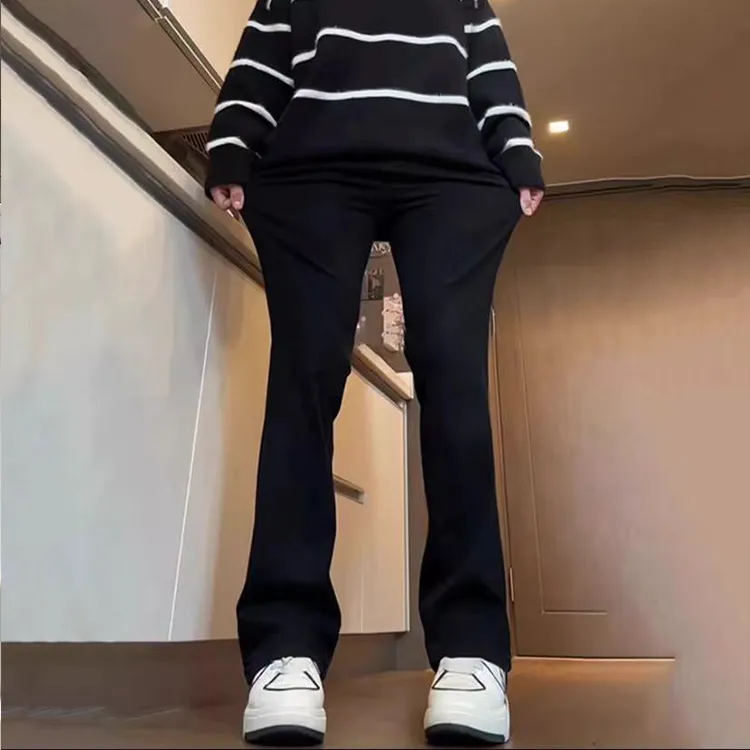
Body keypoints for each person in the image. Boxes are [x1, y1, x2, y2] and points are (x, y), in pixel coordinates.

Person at [205, 0, 544, 745]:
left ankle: (471, 652)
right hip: (315, 169)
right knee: (303, 379)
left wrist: (517, 151)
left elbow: (491, 72)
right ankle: (285, 650)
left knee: (453, 382)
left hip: (448, 175)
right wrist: (232, 146)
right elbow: (259, 64)